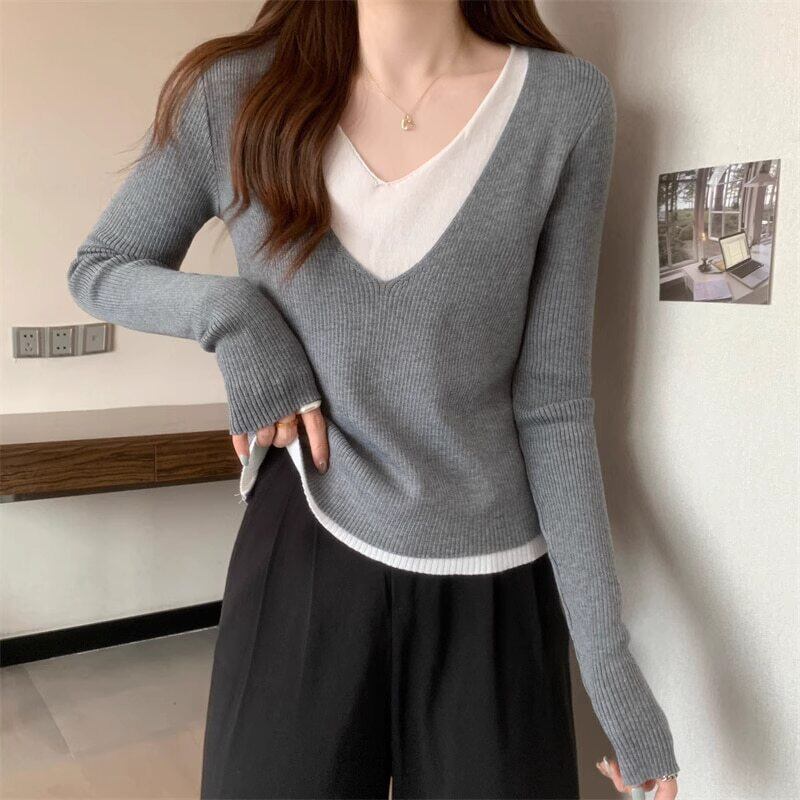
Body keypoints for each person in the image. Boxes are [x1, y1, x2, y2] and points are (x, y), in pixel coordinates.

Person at [66, 1, 681, 798]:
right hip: (303, 543)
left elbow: (553, 403)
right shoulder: (234, 94)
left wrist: (610, 669)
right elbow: (102, 266)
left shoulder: (566, 106)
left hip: (494, 579)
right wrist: (233, 316)